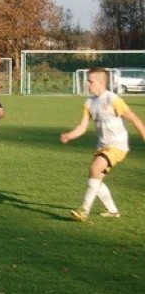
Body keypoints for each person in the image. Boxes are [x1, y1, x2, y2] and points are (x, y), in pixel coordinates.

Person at [60, 67, 145, 222]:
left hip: (117, 146)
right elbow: (82, 127)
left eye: (90, 81)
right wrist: (69, 135)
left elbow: (134, 119)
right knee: (96, 177)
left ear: (100, 83)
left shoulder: (112, 99)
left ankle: (83, 211)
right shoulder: (89, 103)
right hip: (102, 146)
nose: (87, 84)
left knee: (95, 169)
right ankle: (112, 211)